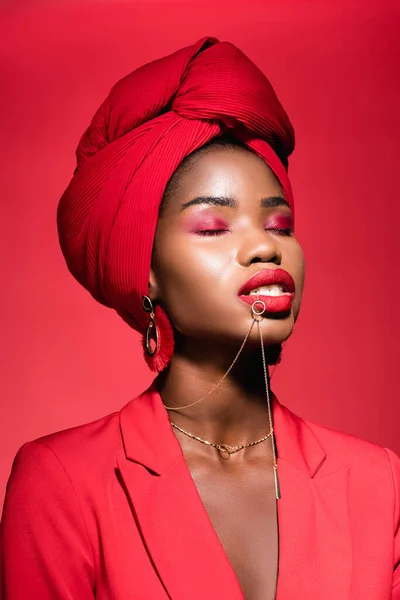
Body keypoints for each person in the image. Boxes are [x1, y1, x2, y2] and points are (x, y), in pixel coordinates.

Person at [0, 36, 399, 600]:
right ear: (147, 270)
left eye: (280, 225)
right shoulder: (63, 482)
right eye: (214, 227)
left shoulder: (376, 482)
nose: (265, 248)